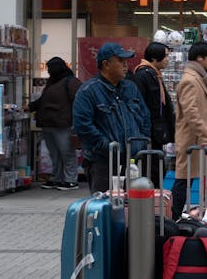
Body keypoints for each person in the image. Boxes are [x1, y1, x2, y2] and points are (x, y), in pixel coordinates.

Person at [73, 42, 150, 195]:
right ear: (106, 64)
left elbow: (144, 117)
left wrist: (142, 142)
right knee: (105, 207)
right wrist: (107, 147)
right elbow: (83, 126)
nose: (126, 65)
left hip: (132, 161)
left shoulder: (130, 88)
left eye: (126, 61)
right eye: (121, 61)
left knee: (133, 208)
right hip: (102, 163)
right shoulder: (88, 91)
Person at [173, 41, 207, 217]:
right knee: (184, 180)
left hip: (200, 141)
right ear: (200, 58)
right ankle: (175, 217)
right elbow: (191, 113)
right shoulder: (190, 81)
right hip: (193, 141)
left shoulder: (199, 78)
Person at [29, 57, 81, 189]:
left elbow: (79, 101)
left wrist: (77, 122)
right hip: (49, 123)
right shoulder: (53, 82)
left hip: (63, 124)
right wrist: (30, 107)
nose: (49, 71)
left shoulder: (70, 82)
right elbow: (43, 100)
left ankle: (70, 179)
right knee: (55, 153)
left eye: (51, 68)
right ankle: (56, 178)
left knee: (66, 152)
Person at [132, 42, 175, 187]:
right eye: (166, 56)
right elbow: (143, 106)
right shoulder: (143, 75)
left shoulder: (154, 74)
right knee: (151, 170)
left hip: (156, 133)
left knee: (157, 169)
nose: (168, 59)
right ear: (155, 57)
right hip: (149, 134)